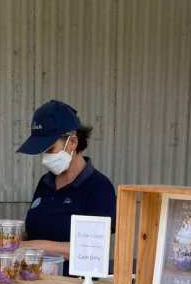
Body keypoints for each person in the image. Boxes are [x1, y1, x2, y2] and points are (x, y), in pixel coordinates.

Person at [16, 100, 116, 260]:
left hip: (75, 283)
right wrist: (8, 241)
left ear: (73, 142)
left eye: (50, 149)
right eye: (43, 151)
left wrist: (26, 247)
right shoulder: (45, 183)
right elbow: (34, 232)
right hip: (35, 280)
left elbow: (88, 249)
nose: (45, 158)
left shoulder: (99, 188)